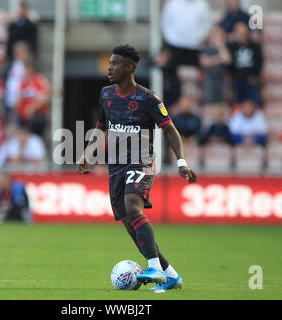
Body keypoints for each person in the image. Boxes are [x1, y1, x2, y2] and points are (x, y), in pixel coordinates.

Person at [77, 45, 197, 291]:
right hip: (116, 167)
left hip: (142, 161)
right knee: (133, 229)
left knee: (133, 206)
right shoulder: (106, 95)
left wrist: (181, 162)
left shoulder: (148, 98)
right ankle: (171, 275)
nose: (110, 67)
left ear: (129, 67)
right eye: (110, 63)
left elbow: (170, 130)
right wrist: (88, 153)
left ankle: (154, 269)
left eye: (115, 63)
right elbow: (100, 127)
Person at [159, 0, 211, 107]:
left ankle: (196, 105)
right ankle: (174, 104)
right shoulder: (172, 4)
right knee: (174, 79)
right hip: (175, 45)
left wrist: (199, 38)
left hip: (195, 47)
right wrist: (171, 39)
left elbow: (207, 24)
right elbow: (165, 23)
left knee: (196, 79)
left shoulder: (202, 4)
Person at [227, 22, 263, 105]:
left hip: (250, 80)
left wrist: (255, 75)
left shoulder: (254, 46)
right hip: (237, 80)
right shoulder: (232, 47)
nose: (241, 36)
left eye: (243, 33)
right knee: (238, 105)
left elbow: (259, 61)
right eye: (239, 33)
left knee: (254, 103)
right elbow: (229, 63)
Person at [16, 61, 50, 136]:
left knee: (36, 127)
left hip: (36, 116)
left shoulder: (38, 80)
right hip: (24, 117)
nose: (24, 73)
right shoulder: (22, 83)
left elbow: (43, 98)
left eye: (26, 70)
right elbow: (18, 99)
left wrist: (31, 108)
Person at [200, 26, 232, 103]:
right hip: (209, 80)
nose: (218, 37)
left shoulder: (224, 48)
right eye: (216, 35)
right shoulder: (206, 48)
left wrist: (220, 46)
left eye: (220, 35)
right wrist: (219, 59)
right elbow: (205, 62)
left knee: (222, 103)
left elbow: (228, 60)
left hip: (222, 80)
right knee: (210, 102)